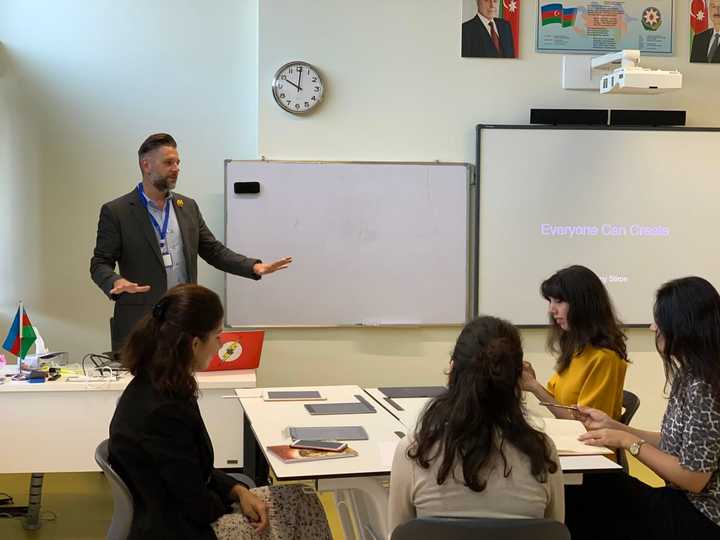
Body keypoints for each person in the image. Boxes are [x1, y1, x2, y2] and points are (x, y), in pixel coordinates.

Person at [108, 284, 331, 540]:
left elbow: (192, 472)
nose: (220, 344)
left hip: (178, 514)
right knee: (299, 509)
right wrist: (235, 503)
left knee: (302, 499)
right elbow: (197, 505)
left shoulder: (158, 386)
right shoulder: (162, 412)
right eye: (217, 336)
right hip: (181, 530)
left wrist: (238, 490)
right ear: (194, 344)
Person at [90, 133, 292, 351]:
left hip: (183, 319)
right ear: (146, 165)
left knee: (181, 381)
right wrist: (114, 281)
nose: (176, 168)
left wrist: (252, 266)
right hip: (141, 323)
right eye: (168, 162)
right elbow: (100, 262)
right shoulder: (117, 211)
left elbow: (213, 250)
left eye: (178, 162)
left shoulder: (187, 207)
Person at [566, 276, 720, 539]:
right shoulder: (691, 375)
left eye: (659, 321)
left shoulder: (704, 387)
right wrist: (613, 426)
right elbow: (675, 443)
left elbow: (694, 479)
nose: (652, 328)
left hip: (700, 517)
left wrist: (628, 442)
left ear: (682, 326)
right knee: (589, 487)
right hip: (682, 503)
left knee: (585, 497)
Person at [388, 316, 564, 534]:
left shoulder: (415, 451)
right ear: (518, 378)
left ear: (452, 370)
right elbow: (555, 530)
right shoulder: (543, 452)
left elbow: (396, 533)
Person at [521, 265, 628, 420]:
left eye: (559, 301)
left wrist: (534, 386)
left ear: (583, 304)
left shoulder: (604, 358)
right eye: (550, 301)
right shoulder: (578, 348)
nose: (552, 309)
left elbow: (586, 424)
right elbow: (561, 403)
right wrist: (531, 382)